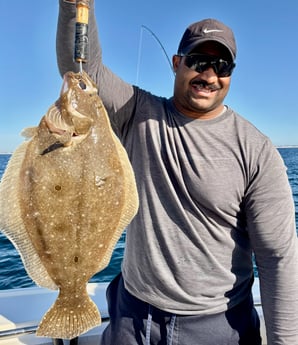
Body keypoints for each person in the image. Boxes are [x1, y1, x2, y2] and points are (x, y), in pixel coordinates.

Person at [56, 1, 298, 344]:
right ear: (176, 63)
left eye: (222, 65)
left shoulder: (256, 149)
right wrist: (74, 6)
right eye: (199, 61)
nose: (209, 75)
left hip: (218, 325)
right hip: (132, 315)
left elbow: (277, 258)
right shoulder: (139, 113)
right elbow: (80, 71)